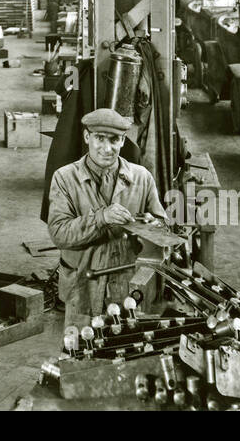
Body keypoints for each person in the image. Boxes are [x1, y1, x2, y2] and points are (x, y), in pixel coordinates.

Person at [46, 107, 167, 330]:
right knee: (81, 352)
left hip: (128, 287)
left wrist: (152, 226)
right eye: (99, 139)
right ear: (86, 137)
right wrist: (101, 218)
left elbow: (163, 231)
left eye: (114, 140)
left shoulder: (142, 178)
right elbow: (59, 234)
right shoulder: (64, 178)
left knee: (127, 349)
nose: (107, 148)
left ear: (123, 141)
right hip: (82, 285)